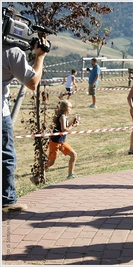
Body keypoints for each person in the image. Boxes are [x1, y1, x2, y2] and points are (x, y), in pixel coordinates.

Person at [3, 20, 48, 212]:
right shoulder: (12, 52)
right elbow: (32, 82)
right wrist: (40, 56)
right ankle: (7, 199)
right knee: (5, 156)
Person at [45, 100, 79, 179]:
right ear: (67, 109)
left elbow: (65, 126)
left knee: (74, 155)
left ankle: (70, 174)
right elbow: (64, 130)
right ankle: (37, 174)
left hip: (62, 142)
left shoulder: (64, 117)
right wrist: (73, 126)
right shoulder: (62, 117)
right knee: (51, 163)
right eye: (70, 108)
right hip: (55, 142)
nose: (71, 110)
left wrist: (72, 121)